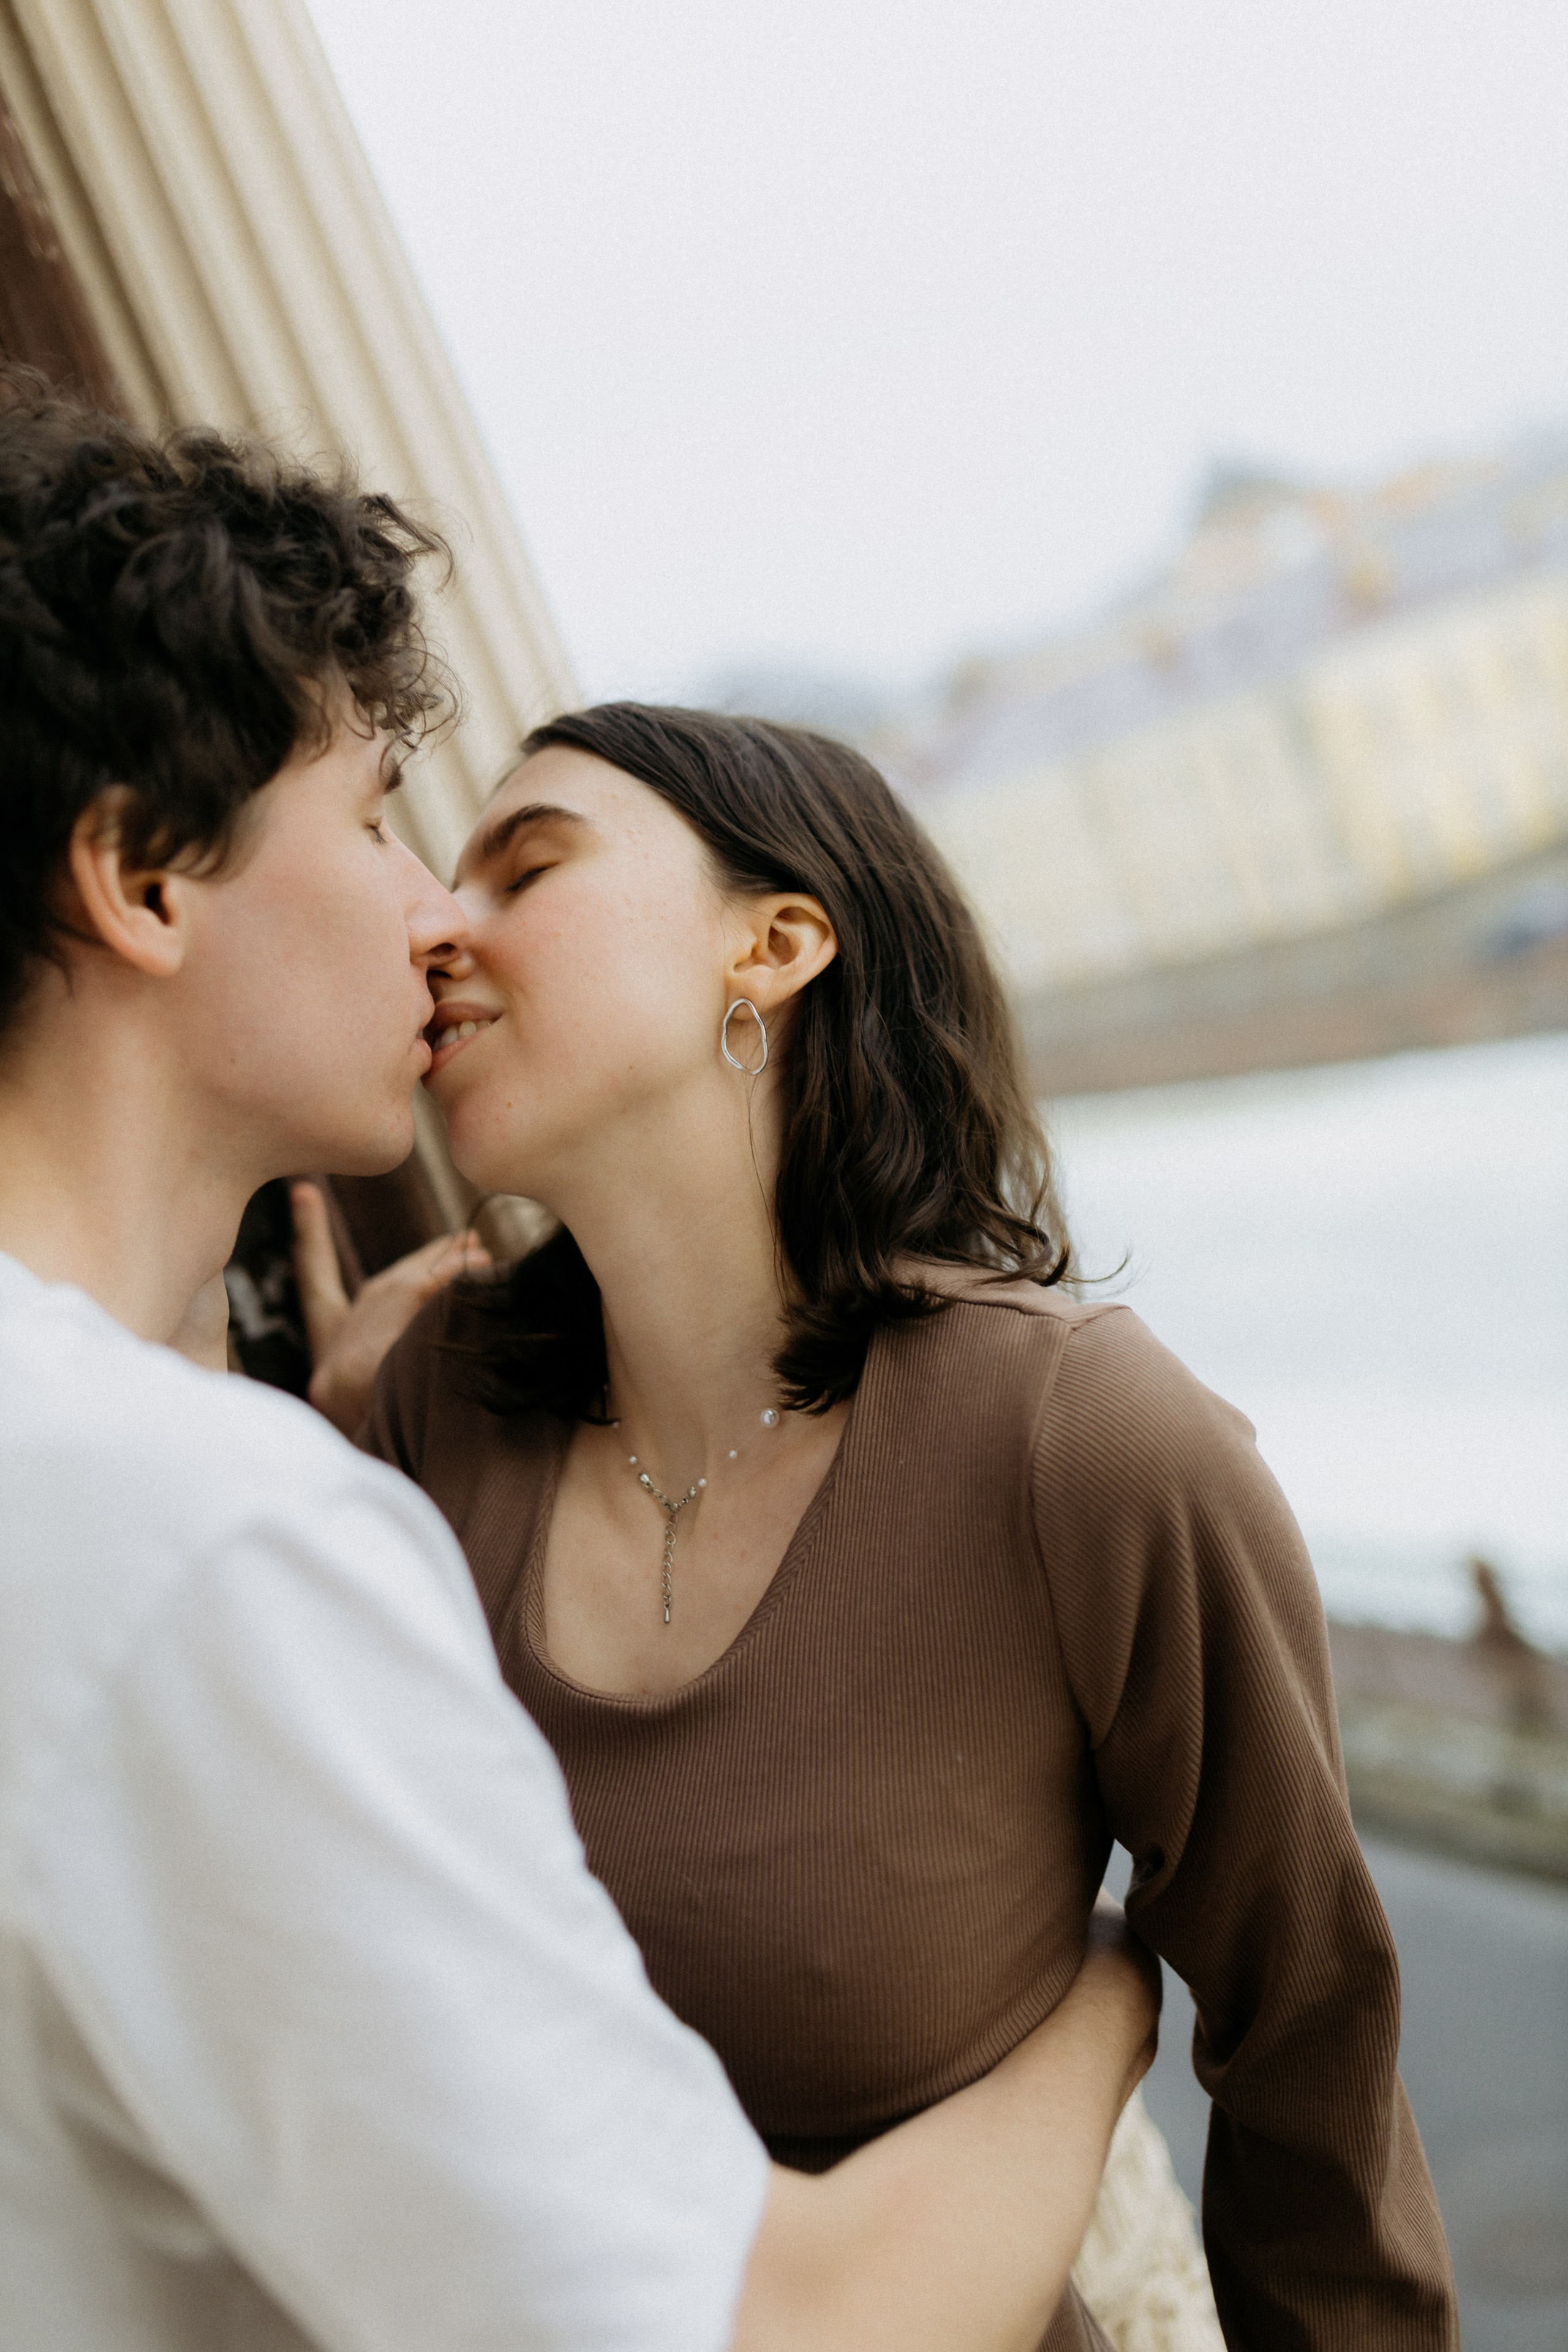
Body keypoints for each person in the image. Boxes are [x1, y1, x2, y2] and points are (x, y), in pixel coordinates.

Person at [0, 374, 1161, 2352]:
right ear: (146, 880)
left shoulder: (1072, 1420)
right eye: (376, 819)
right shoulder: (205, 1542)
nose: (434, 914)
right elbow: (777, 2331)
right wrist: (1117, 1990)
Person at [318, 702, 1459, 2350]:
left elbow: (1312, 2054)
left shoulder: (1083, 1442)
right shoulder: (430, 1418)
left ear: (773, 948)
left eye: (529, 865)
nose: (438, 922)